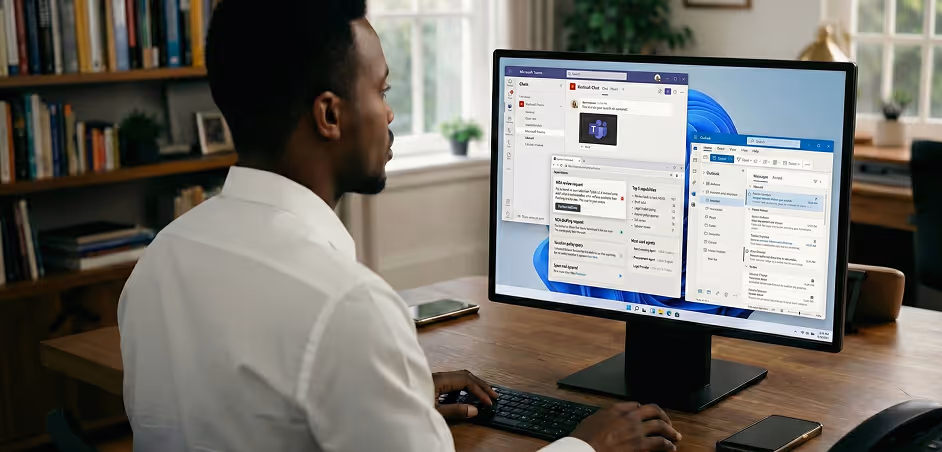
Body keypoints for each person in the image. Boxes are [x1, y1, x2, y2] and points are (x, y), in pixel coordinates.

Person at [116, 0, 683, 451]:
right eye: (381, 90)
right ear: (330, 115)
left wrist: (387, 400)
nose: (389, 113)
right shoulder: (347, 306)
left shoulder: (162, 259)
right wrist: (586, 446)